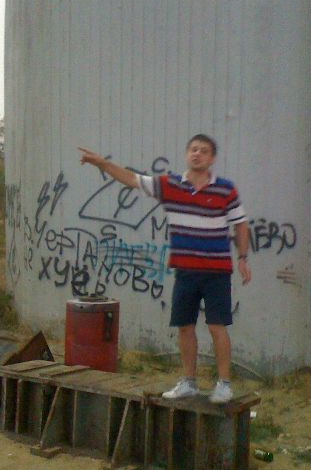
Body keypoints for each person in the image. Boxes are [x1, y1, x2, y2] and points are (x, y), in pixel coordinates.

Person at [78, 134, 251, 403]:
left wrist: (243, 257)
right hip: (185, 271)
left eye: (204, 151)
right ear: (187, 154)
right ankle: (189, 382)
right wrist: (102, 164)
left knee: (217, 326)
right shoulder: (169, 185)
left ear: (212, 159)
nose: (197, 154)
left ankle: (224, 384)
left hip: (216, 272)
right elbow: (132, 179)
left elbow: (240, 223)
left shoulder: (225, 189)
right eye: (193, 149)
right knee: (184, 326)